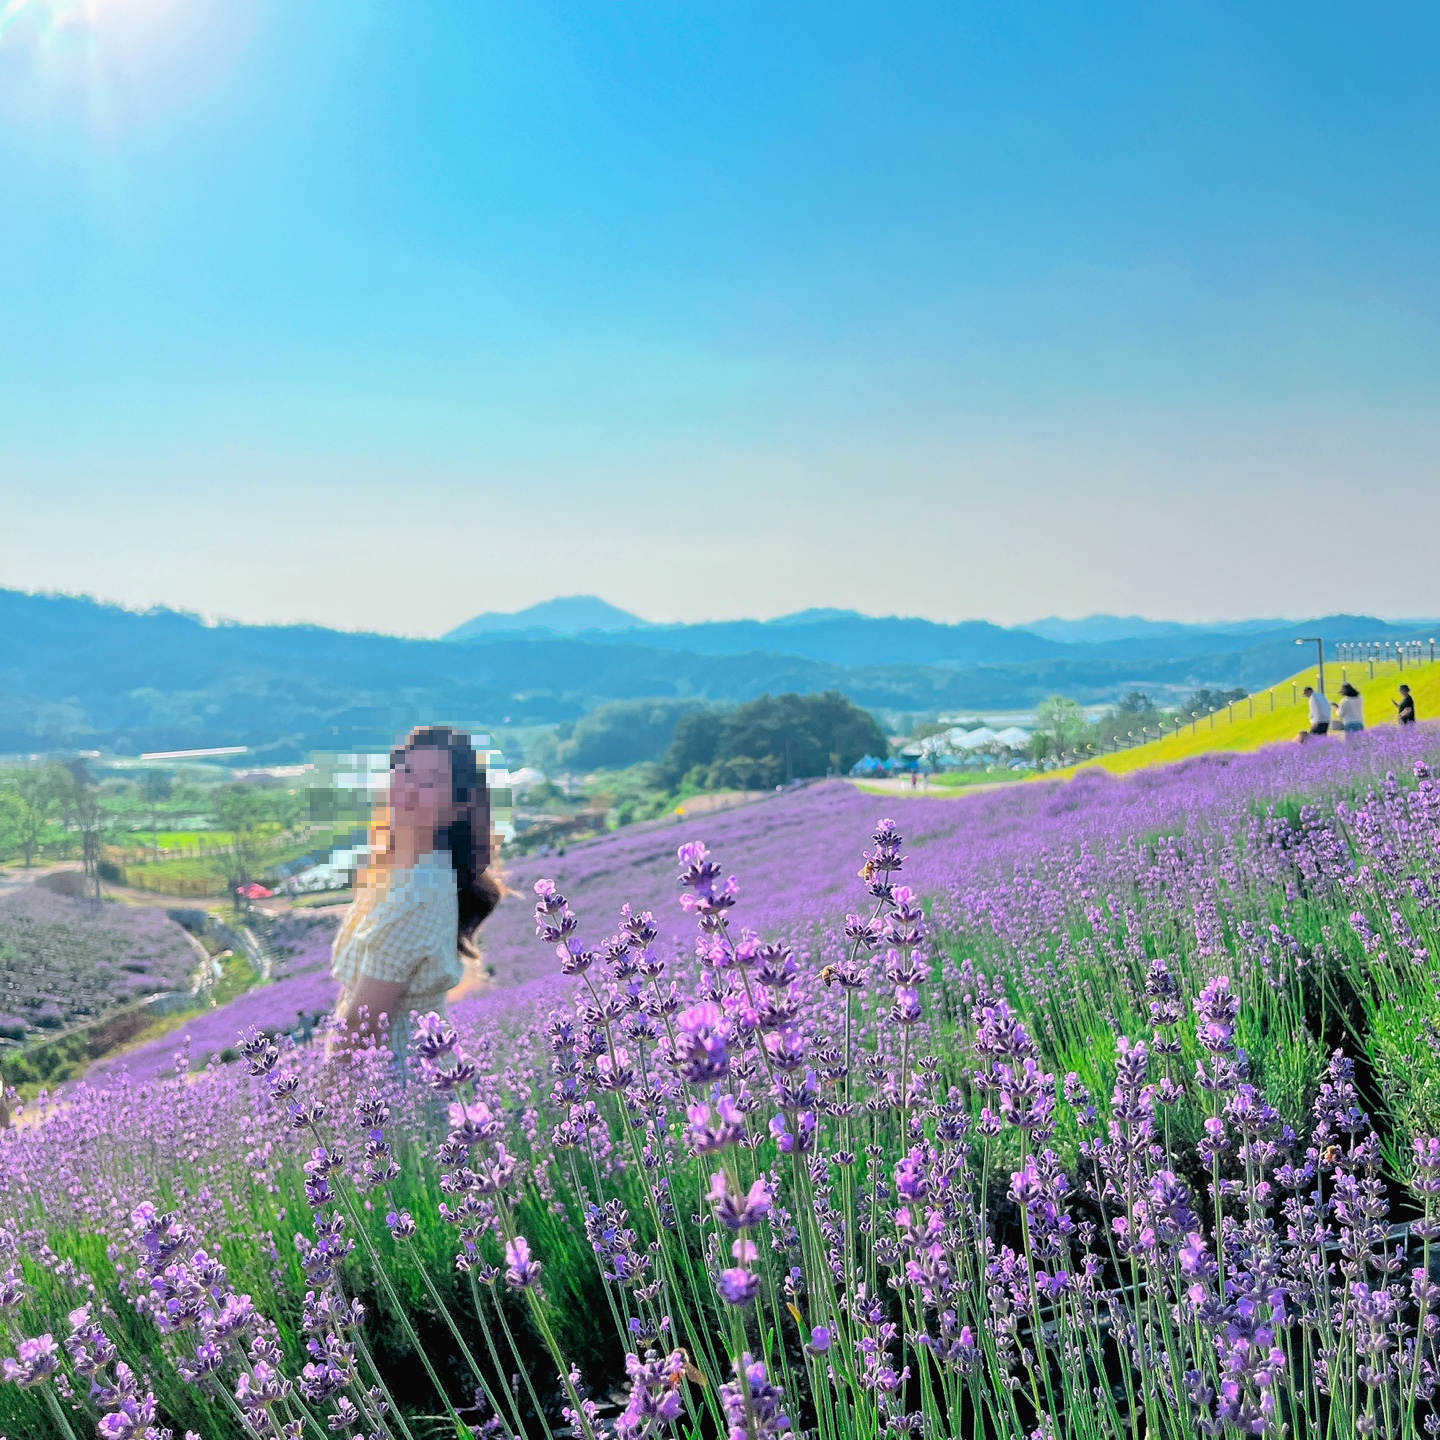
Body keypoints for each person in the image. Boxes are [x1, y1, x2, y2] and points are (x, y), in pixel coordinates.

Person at [330, 726, 500, 1062]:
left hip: (397, 1084)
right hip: (414, 1073)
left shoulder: (417, 892)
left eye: (429, 782)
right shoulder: (408, 869)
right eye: (405, 772)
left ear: (458, 805)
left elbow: (360, 1030)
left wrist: (318, 1107)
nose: (407, 788)